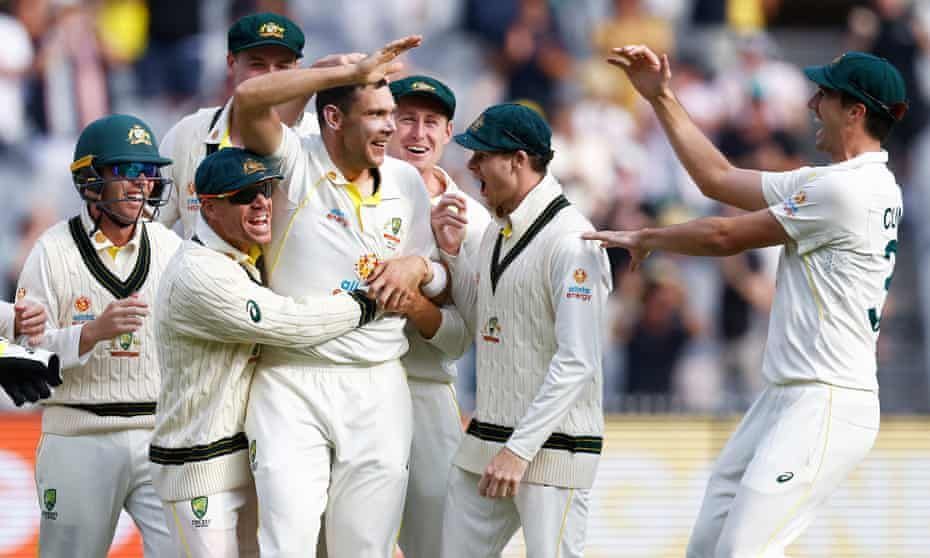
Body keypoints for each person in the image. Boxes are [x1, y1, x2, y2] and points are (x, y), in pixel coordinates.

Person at [585, 46, 907, 557]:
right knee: (709, 549)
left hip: (825, 399)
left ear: (855, 112)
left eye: (824, 94)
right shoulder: (841, 184)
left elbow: (722, 236)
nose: (810, 103)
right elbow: (717, 179)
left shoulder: (844, 192)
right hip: (788, 396)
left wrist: (647, 236)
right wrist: (661, 97)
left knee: (741, 553)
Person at [233, 36, 447, 557]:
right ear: (332, 117)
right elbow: (249, 100)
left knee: (363, 548)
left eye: (390, 114)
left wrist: (417, 265)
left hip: (378, 384)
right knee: (289, 543)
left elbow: (435, 272)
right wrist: (341, 71)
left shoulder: (404, 182)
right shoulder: (291, 160)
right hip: (292, 381)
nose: (390, 127)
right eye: (375, 113)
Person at [149, 147, 378, 557]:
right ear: (209, 207)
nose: (261, 202)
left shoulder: (240, 258)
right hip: (197, 470)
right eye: (244, 194)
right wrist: (366, 304)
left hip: (242, 461)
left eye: (266, 189)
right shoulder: (199, 273)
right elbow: (288, 323)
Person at [431, 103, 611, 558]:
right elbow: (483, 321)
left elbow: (578, 362)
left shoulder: (572, 242)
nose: (471, 167)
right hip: (488, 437)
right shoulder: (496, 231)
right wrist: (453, 255)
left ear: (518, 160)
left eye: (482, 156)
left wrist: (520, 450)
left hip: (553, 449)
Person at [17, 114, 181, 556]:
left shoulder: (169, 247)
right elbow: (24, 352)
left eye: (147, 172)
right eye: (126, 170)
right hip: (78, 435)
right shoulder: (51, 252)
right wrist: (90, 334)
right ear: (91, 178)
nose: (141, 183)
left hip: (159, 435)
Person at [386, 75, 492, 558]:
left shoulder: (473, 219)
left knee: (439, 543)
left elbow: (460, 338)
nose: (418, 134)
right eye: (406, 118)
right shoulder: (351, 197)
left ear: (449, 133)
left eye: (431, 122)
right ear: (385, 124)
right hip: (349, 382)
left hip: (427, 388)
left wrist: (419, 296)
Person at [158, 12, 316, 238]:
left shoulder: (316, 138)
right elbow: (150, 229)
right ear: (231, 63)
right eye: (257, 64)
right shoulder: (188, 134)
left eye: (282, 66)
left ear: (298, 69)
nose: (271, 77)